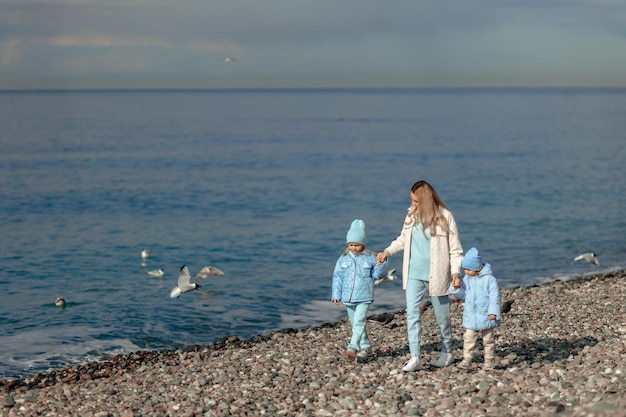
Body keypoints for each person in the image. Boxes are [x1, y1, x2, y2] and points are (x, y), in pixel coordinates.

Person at [376, 180, 463, 371]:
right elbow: (403, 239)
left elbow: (455, 250)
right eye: (412, 201)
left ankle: (447, 351)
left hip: (437, 274)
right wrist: (387, 252)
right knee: (412, 314)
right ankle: (415, 356)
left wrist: (456, 273)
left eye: (416, 201)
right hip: (414, 273)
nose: (413, 205)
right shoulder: (411, 215)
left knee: (442, 317)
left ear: (425, 200)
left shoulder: (445, 217)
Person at [332, 219, 389, 361]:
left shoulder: (370, 257)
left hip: (364, 296)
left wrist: (382, 263)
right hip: (348, 298)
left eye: (357, 245)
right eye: (351, 245)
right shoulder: (343, 259)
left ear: (362, 243)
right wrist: (336, 294)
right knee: (355, 324)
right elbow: (337, 277)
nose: (354, 248)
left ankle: (353, 346)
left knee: (359, 321)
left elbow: (377, 275)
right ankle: (366, 346)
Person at [450, 247, 501, 370]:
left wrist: (493, 312)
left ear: (477, 267)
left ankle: (489, 360)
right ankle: (467, 359)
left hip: (486, 315)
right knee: (468, 338)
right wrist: (456, 288)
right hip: (471, 316)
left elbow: (495, 297)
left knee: (488, 340)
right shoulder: (468, 279)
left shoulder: (489, 279)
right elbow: (462, 295)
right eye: (465, 269)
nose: (466, 272)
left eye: (469, 269)